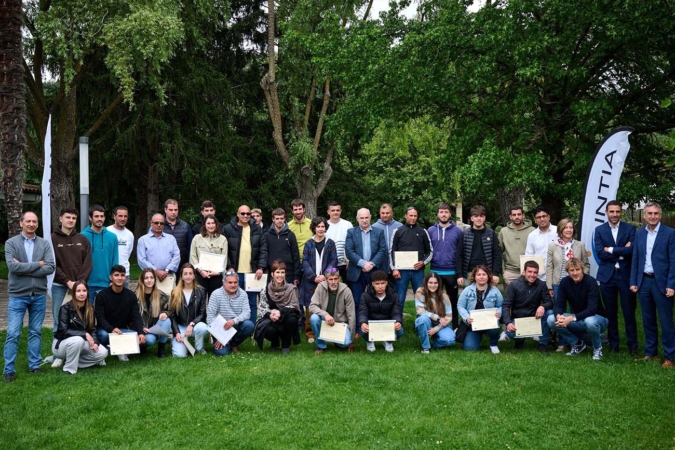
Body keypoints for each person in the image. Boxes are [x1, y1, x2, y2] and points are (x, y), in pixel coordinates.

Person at [3, 212, 56, 382]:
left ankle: (35, 366)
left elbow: (50, 267)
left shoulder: (44, 243)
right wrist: (37, 265)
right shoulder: (11, 243)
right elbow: (12, 267)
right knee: (13, 333)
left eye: (34, 221)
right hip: (18, 296)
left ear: (37, 224)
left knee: (35, 332)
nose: (31, 224)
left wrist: (25, 268)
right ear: (21, 223)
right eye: (28, 221)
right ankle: (8, 370)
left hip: (38, 295)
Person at [630, 202, 675, 368]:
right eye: (650, 213)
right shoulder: (639, 233)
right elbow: (636, 258)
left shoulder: (670, 233)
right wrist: (634, 281)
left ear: (660, 215)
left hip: (662, 283)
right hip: (644, 282)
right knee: (648, 319)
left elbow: (673, 261)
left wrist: (672, 284)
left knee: (666, 321)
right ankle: (650, 352)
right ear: (644, 215)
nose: (653, 216)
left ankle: (670, 356)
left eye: (656, 213)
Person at [50, 207, 92, 369]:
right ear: (60, 219)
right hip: (60, 287)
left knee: (82, 320)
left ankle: (81, 350)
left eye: (74, 218)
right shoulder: (52, 239)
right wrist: (68, 282)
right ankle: (58, 355)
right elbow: (53, 264)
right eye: (68, 217)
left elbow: (88, 263)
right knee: (58, 321)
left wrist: (79, 284)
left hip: (80, 288)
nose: (71, 220)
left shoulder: (82, 239)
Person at [594, 200, 638, 355]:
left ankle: (633, 346)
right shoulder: (599, 230)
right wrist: (621, 252)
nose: (614, 214)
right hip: (607, 277)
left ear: (621, 212)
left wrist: (611, 249)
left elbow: (631, 251)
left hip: (626, 276)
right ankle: (614, 344)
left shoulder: (630, 229)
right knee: (611, 312)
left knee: (629, 312)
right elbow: (600, 253)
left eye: (617, 211)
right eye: (611, 211)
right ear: (606, 212)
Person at [547, 258, 608, 360]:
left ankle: (597, 348)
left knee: (590, 321)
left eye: (577, 269)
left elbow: (592, 309)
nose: (575, 273)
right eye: (572, 270)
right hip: (578, 319)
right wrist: (559, 315)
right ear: (568, 272)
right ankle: (577, 344)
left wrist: (570, 319)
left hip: (598, 319)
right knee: (551, 319)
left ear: (582, 269)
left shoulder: (591, 282)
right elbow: (559, 305)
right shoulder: (564, 282)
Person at [222, 204, 268, 322]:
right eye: (243, 213)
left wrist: (261, 267)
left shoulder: (258, 229)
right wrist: (229, 267)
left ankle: (251, 328)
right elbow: (223, 251)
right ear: (237, 214)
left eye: (248, 214)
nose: (246, 216)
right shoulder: (228, 229)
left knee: (252, 302)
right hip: (234, 272)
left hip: (252, 273)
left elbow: (263, 249)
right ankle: (235, 327)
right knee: (233, 302)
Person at [52, 281, 108, 374]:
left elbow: (93, 329)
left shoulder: (90, 308)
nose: (82, 293)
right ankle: (69, 369)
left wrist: (95, 343)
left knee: (102, 353)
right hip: (61, 345)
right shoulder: (65, 308)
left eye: (84, 290)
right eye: (78, 291)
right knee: (78, 340)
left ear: (87, 292)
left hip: (80, 343)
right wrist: (85, 334)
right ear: (73, 293)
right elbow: (63, 330)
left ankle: (74, 361)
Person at [94, 265, 147, 361]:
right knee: (104, 335)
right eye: (116, 275)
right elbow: (100, 317)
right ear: (111, 277)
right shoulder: (101, 295)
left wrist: (140, 332)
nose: (119, 278)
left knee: (141, 338)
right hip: (105, 330)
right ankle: (108, 351)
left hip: (123, 330)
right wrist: (111, 329)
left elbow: (136, 316)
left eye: (122, 275)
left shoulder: (131, 295)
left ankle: (119, 349)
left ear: (125, 277)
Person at [300, 217, 338, 342]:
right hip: (310, 282)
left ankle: (326, 331)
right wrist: (313, 277)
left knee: (325, 306)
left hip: (326, 281)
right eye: (318, 227)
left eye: (322, 226)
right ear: (314, 228)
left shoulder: (330, 243)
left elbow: (334, 260)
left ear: (325, 228)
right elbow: (304, 261)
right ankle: (310, 333)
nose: (320, 229)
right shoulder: (309, 243)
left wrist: (325, 276)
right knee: (310, 307)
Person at [502, 261, 553, 354]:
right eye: (529, 272)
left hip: (535, 318)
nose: (532, 275)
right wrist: (508, 322)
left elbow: (549, 302)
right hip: (519, 318)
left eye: (535, 272)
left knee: (549, 313)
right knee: (510, 333)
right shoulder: (514, 285)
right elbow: (506, 305)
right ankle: (519, 341)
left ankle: (543, 344)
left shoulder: (541, 285)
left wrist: (543, 306)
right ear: (524, 272)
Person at [389, 206, 433, 311]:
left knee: (421, 299)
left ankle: (420, 324)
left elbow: (430, 251)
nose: (413, 218)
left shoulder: (423, 231)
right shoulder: (398, 231)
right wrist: (394, 268)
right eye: (410, 215)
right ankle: (399, 325)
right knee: (399, 299)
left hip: (418, 271)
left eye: (415, 216)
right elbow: (391, 251)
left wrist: (423, 262)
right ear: (405, 216)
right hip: (401, 272)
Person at [427, 202, 463, 329]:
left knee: (452, 301)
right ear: (437, 214)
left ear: (450, 214)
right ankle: (434, 324)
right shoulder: (430, 230)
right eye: (441, 212)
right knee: (434, 300)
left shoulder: (458, 231)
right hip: (435, 271)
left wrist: (459, 273)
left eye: (446, 212)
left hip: (451, 272)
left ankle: (454, 325)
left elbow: (460, 253)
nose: (443, 214)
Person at [254, 261, 301, 353]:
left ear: (285, 274)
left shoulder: (291, 289)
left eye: (282, 272)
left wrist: (280, 312)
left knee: (292, 319)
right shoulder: (265, 289)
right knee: (268, 329)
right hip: (273, 320)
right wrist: (270, 314)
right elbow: (262, 308)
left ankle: (285, 344)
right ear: (272, 274)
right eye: (277, 272)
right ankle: (274, 342)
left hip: (286, 320)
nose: (280, 275)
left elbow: (294, 307)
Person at [344, 208, 388, 308]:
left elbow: (382, 250)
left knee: (375, 300)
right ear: (357, 219)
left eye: (366, 217)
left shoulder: (379, 232)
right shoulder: (351, 232)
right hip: (357, 272)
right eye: (362, 218)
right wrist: (363, 263)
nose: (364, 220)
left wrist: (371, 264)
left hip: (374, 271)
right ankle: (359, 324)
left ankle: (374, 322)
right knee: (357, 301)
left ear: (370, 217)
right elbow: (349, 251)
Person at [309, 267, 356, 354]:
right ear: (326, 280)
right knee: (314, 318)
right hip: (324, 320)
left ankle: (337, 341)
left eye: (335, 279)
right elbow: (312, 306)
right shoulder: (320, 287)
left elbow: (351, 315)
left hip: (340, 323)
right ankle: (321, 346)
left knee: (345, 343)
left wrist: (352, 340)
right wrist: (325, 315)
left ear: (339, 279)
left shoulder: (346, 291)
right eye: (330, 279)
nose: (333, 282)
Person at [207, 270, 255, 355]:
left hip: (236, 325)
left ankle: (234, 344)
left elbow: (247, 313)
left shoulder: (243, 294)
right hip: (220, 328)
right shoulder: (215, 294)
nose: (233, 285)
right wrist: (220, 336)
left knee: (249, 325)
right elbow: (210, 317)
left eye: (235, 282)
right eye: (230, 282)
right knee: (221, 353)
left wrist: (234, 321)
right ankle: (226, 342)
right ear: (223, 283)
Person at [457, 265, 503, 353]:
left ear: (488, 276)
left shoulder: (495, 291)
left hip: (489, 323)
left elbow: (501, 305)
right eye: (478, 274)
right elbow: (460, 306)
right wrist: (466, 317)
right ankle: (477, 337)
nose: (481, 277)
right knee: (470, 348)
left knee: (495, 325)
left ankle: (493, 344)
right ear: (474, 276)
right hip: (473, 324)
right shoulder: (467, 290)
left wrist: (498, 312)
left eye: (484, 274)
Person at [456, 205, 502, 287]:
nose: (479, 218)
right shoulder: (465, 234)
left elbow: (497, 255)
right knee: (470, 298)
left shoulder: (491, 233)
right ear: (472, 218)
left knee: (488, 298)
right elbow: (459, 255)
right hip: (469, 273)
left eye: (481, 216)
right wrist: (459, 275)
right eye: (476, 216)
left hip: (487, 273)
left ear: (484, 218)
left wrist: (495, 273)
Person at [358, 270, 403, 352]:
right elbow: (362, 312)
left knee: (400, 330)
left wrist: (398, 321)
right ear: (372, 284)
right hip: (371, 323)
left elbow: (396, 312)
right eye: (377, 284)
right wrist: (363, 322)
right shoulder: (365, 296)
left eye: (382, 283)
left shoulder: (394, 296)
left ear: (386, 283)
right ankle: (370, 341)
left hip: (387, 322)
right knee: (361, 329)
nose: (380, 286)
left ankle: (388, 341)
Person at [169, 263, 209, 357]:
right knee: (179, 355)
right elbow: (172, 315)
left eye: (190, 273)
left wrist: (192, 324)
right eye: (185, 274)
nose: (188, 276)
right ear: (182, 276)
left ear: (194, 275)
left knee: (203, 327)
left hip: (195, 326)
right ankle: (178, 341)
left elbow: (202, 313)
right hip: (181, 326)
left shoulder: (201, 291)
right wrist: (176, 332)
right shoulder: (175, 292)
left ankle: (199, 348)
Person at [546, 218, 590, 299]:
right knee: (559, 309)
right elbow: (549, 267)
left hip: (576, 283)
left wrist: (582, 278)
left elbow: (586, 264)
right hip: (558, 284)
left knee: (576, 310)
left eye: (571, 227)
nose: (569, 230)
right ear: (560, 230)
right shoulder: (553, 246)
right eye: (566, 227)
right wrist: (549, 286)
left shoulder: (580, 245)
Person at [83, 204, 119, 303]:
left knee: (105, 315)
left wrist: (113, 280)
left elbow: (115, 261)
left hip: (106, 284)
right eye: (96, 216)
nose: (100, 219)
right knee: (87, 316)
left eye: (102, 216)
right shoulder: (82, 237)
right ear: (90, 218)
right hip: (87, 283)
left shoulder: (112, 237)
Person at [137, 213, 181, 291]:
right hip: (151, 277)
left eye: (161, 223)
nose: (159, 225)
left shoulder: (171, 239)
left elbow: (177, 256)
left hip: (168, 276)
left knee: (170, 301)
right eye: (156, 223)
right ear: (151, 223)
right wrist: (156, 271)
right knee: (151, 301)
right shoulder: (143, 240)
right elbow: (141, 260)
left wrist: (166, 270)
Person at [414, 272, 455, 354]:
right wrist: (437, 317)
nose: (433, 285)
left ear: (439, 284)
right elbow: (420, 311)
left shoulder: (444, 296)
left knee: (450, 340)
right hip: (426, 321)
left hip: (440, 325)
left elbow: (449, 316)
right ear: (426, 283)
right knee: (423, 319)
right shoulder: (420, 292)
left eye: (435, 283)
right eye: (430, 282)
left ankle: (435, 340)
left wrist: (436, 329)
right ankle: (425, 347)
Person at [135, 268, 172, 358]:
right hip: (140, 329)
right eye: (146, 278)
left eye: (151, 277)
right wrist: (141, 328)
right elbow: (130, 316)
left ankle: (161, 349)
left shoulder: (161, 295)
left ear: (155, 280)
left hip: (154, 328)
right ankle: (142, 346)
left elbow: (170, 310)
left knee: (167, 321)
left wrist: (165, 313)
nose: (149, 280)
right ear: (142, 280)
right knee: (150, 340)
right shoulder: (134, 296)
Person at [190, 214, 228, 295]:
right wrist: (200, 271)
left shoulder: (223, 239)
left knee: (215, 301)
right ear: (204, 224)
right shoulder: (197, 238)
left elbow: (224, 258)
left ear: (216, 224)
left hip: (216, 275)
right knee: (199, 301)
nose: (211, 226)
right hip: (200, 274)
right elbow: (193, 256)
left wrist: (217, 272)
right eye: (208, 223)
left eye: (213, 223)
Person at [498, 206, 534, 287]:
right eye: (514, 215)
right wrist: (503, 270)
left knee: (528, 298)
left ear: (523, 216)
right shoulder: (504, 232)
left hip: (529, 271)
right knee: (510, 298)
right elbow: (498, 251)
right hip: (510, 272)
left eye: (519, 214)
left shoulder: (532, 231)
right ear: (510, 216)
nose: (517, 217)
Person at [266, 208, 301, 285]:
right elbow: (264, 254)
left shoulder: (290, 235)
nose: (279, 221)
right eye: (277, 218)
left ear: (284, 219)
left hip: (288, 274)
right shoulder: (267, 235)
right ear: (273, 219)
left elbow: (296, 256)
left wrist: (296, 276)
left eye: (281, 218)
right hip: (272, 273)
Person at [525, 205, 558, 282]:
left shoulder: (558, 232)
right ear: (535, 220)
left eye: (544, 216)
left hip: (557, 276)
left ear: (549, 217)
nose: (542, 219)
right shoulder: (532, 235)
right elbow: (529, 256)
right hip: (539, 278)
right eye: (539, 217)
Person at [324, 201, 353, 282]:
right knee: (331, 286)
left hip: (345, 263)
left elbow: (351, 244)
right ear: (328, 212)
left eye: (337, 210)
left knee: (348, 286)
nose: (335, 212)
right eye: (333, 210)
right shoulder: (324, 225)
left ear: (341, 211)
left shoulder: (348, 225)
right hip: (330, 263)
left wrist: (349, 259)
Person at [106, 206, 134, 288]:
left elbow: (128, 253)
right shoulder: (107, 231)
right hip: (109, 273)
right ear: (114, 216)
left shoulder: (129, 234)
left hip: (124, 273)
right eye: (120, 216)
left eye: (125, 216)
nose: (123, 219)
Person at [162, 199, 193, 268]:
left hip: (182, 266)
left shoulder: (185, 226)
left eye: (176, 210)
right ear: (165, 210)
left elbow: (190, 247)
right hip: (163, 266)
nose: (173, 212)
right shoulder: (159, 226)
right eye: (171, 210)